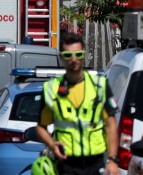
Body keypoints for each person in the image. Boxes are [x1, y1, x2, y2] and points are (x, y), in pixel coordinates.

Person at [34, 32, 120, 175]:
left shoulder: (100, 85)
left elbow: (111, 125)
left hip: (95, 163)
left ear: (83, 55)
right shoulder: (51, 89)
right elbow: (40, 127)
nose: (74, 59)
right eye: (68, 55)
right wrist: (52, 144)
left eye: (78, 54)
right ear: (61, 57)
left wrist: (112, 160)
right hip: (66, 163)